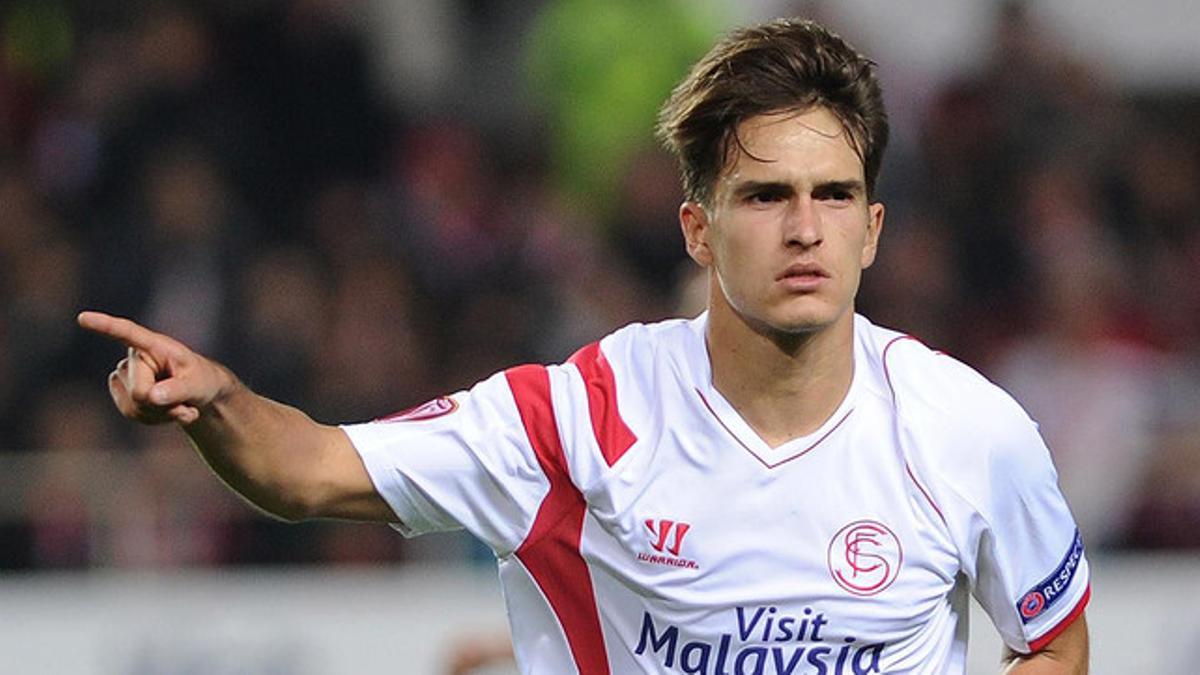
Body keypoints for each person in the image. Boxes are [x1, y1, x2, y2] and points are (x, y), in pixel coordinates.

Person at [79, 18, 1089, 675]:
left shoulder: (972, 428)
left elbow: (1056, 646)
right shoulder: (573, 420)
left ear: (872, 228)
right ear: (699, 230)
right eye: (766, 196)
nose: (805, 228)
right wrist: (218, 404)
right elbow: (308, 470)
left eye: (834, 196)